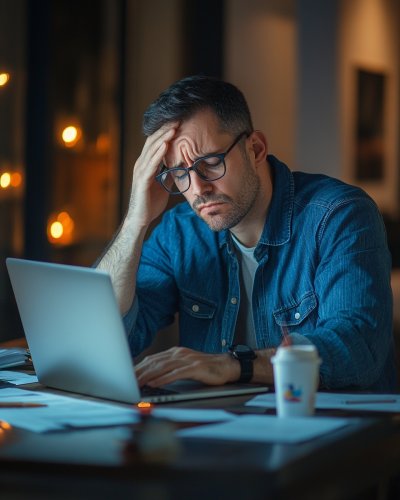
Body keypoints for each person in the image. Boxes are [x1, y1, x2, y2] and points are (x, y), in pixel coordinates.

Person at [95, 75, 396, 393]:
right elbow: (104, 340)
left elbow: (358, 346)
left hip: (335, 433)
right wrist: (134, 222)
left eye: (210, 163)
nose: (198, 190)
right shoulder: (179, 231)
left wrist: (232, 366)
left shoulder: (339, 215)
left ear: (255, 149)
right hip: (218, 430)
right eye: (179, 174)